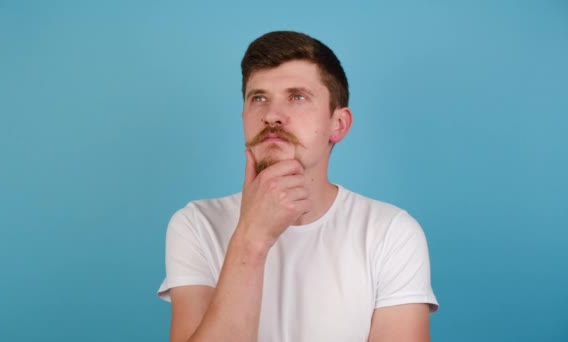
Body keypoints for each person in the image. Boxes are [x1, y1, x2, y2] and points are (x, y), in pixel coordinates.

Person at [158, 31, 438, 342]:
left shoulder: (391, 233)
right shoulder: (196, 225)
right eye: (259, 98)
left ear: (339, 124)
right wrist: (252, 239)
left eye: (297, 97)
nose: (272, 116)